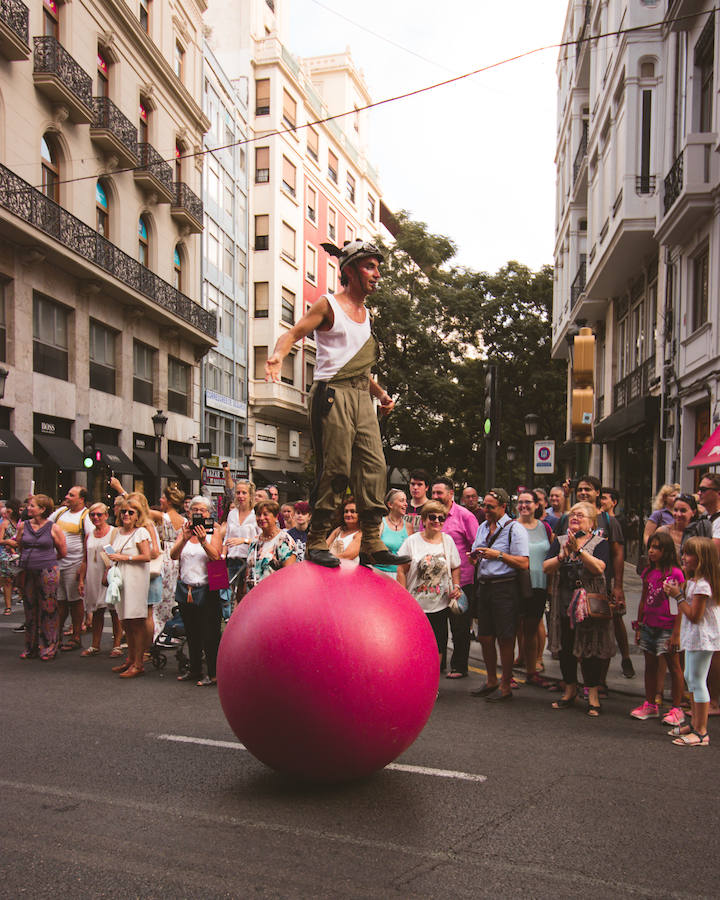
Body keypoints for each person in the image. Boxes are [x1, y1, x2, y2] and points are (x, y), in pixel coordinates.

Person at [265, 239, 407, 569]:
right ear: (349, 271)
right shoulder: (328, 305)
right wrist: (277, 355)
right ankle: (317, 539)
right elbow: (293, 333)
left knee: (375, 466)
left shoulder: (367, 315)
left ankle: (372, 538)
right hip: (332, 395)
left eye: (378, 267)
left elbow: (358, 366)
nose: (377, 274)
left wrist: (380, 393)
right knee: (336, 468)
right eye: (370, 266)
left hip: (361, 396)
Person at [544, 502, 614, 716]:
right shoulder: (561, 541)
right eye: (572, 515)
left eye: (580, 516)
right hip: (564, 602)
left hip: (589, 603)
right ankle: (570, 690)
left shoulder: (600, 543)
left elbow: (600, 567)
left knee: (590, 648)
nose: (575, 518)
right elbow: (546, 567)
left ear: (592, 523)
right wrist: (562, 556)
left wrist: (579, 551)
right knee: (566, 647)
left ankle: (592, 694)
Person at [469, 488, 529, 701]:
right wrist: (474, 557)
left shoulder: (515, 529)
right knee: (484, 636)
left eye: (490, 507)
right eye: (484, 505)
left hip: (505, 587)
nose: (485, 510)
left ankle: (505, 685)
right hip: (484, 586)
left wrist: (499, 555)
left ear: (503, 507)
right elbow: (476, 553)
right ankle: (491, 679)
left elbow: (523, 562)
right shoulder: (483, 527)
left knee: (505, 637)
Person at [663, 537, 720, 747]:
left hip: (703, 637)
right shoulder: (695, 581)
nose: (684, 558)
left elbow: (695, 615)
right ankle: (695, 724)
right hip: (695, 636)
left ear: (701, 558)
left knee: (697, 681)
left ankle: (701, 731)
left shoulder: (703, 584)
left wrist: (678, 596)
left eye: (688, 554)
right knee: (691, 677)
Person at [397, 501, 461, 670]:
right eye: (432, 517)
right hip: (416, 607)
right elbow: (401, 570)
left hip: (439, 605)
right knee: (413, 647)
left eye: (441, 518)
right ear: (424, 520)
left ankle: (432, 684)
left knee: (438, 647)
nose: (437, 521)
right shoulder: (412, 542)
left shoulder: (448, 541)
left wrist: (457, 586)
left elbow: (455, 566)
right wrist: (404, 597)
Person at [630, 531, 685, 725]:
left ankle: (676, 708)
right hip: (649, 625)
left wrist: (676, 633)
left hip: (668, 627)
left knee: (674, 666)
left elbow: (680, 603)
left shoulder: (675, 574)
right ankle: (650, 704)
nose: (651, 551)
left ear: (666, 551)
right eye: (650, 547)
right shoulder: (648, 572)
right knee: (650, 665)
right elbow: (644, 599)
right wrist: (639, 625)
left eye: (656, 548)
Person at [171, 495, 223, 686]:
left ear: (209, 513)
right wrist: (184, 539)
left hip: (207, 589)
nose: (198, 513)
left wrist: (203, 541)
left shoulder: (213, 531)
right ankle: (194, 669)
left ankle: (213, 672)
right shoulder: (184, 530)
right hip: (187, 588)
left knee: (209, 633)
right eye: (195, 510)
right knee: (191, 632)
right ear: (189, 512)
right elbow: (173, 555)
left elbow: (216, 557)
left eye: (203, 510)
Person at [432, 476, 479, 679]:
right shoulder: (430, 515)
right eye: (433, 493)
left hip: (462, 581)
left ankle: (459, 666)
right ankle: (438, 664)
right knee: (437, 626)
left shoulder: (465, 516)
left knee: (459, 626)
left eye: (439, 493)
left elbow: (477, 546)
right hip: (435, 583)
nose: (435, 496)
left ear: (451, 494)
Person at [16, 495, 66, 660]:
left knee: (49, 608)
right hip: (28, 570)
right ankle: (31, 647)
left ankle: (49, 646)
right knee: (30, 608)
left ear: (43, 509)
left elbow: (62, 551)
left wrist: (48, 562)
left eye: (32, 506)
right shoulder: (23, 526)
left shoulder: (53, 528)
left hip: (47, 571)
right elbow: (19, 545)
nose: (28, 508)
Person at [107, 498, 151, 678]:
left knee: (136, 622)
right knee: (125, 621)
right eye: (123, 511)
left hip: (135, 580)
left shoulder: (140, 532)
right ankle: (130, 659)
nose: (126, 514)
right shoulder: (118, 532)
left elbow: (147, 556)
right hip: (120, 580)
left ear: (137, 516)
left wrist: (126, 558)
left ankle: (138, 663)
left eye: (131, 512)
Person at [50, 485, 93, 651]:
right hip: (57, 563)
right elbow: (47, 525)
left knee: (75, 602)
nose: (67, 497)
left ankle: (76, 636)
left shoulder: (86, 516)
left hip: (74, 564)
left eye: (71, 495)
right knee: (60, 601)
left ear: (81, 499)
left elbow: (88, 541)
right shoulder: (60, 512)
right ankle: (57, 635)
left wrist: (83, 568)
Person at [515, 491, 552, 686]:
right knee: (512, 629)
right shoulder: (511, 527)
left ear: (537, 505)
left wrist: (552, 586)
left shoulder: (545, 527)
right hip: (517, 585)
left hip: (540, 585)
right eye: (520, 502)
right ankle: (507, 674)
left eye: (528, 502)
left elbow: (551, 554)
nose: (524, 506)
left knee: (530, 630)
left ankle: (531, 672)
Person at [77, 503, 122, 657]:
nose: (95, 517)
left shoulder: (113, 533)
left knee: (114, 611)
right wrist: (81, 580)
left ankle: (117, 645)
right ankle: (95, 644)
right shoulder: (89, 534)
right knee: (96, 611)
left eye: (99, 515)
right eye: (92, 515)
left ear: (106, 515)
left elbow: (113, 556)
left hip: (108, 576)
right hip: (92, 575)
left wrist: (108, 572)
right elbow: (85, 559)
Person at [245, 499, 297, 588]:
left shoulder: (284, 541)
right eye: (258, 514)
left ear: (276, 517)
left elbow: (289, 576)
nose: (261, 518)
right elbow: (249, 569)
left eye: (265, 514)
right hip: (252, 595)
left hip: (273, 595)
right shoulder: (254, 541)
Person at [223, 480, 259, 594]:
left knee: (246, 595)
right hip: (232, 560)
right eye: (238, 493)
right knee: (227, 597)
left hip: (249, 562)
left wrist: (244, 540)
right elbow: (227, 538)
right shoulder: (232, 513)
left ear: (250, 495)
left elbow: (262, 539)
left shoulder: (256, 514)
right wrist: (222, 555)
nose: (240, 496)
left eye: (244, 493)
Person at [374, 489, 412, 578]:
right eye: (402, 501)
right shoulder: (380, 523)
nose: (406, 504)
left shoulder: (409, 527)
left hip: (400, 575)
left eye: (406, 501)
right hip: (379, 573)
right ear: (390, 504)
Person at [326, 495, 361, 565]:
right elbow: (324, 546)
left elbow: (347, 556)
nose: (348, 514)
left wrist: (325, 559)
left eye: (353, 511)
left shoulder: (360, 534)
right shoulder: (339, 530)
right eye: (346, 511)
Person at [642, 484, 680, 548]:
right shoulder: (658, 514)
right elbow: (647, 535)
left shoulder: (680, 514)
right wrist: (653, 549)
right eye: (673, 496)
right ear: (665, 498)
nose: (676, 498)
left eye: (677, 496)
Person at [0, 499, 20, 615]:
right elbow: (0, 539)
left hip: (20, 552)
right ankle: (8, 606)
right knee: (7, 580)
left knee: (21, 580)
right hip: (7, 554)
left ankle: (23, 597)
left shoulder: (21, 522)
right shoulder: (5, 523)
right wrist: (8, 542)